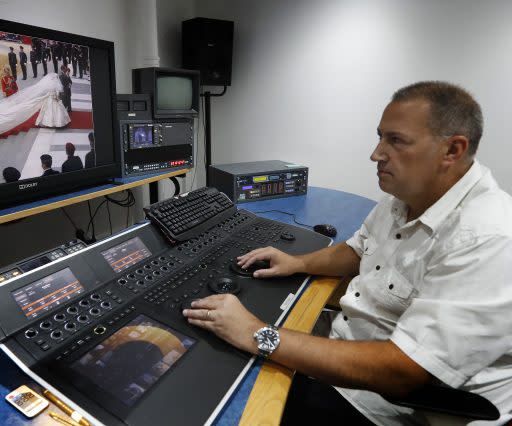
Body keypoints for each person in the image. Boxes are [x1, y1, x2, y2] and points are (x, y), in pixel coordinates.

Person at [183, 81, 512, 425]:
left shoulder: (488, 239)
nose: (376, 153)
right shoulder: (407, 196)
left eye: (395, 140)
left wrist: (257, 334)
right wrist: (297, 262)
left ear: (453, 150)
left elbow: (405, 371)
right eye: (380, 136)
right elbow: (359, 249)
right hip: (354, 343)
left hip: (393, 401)